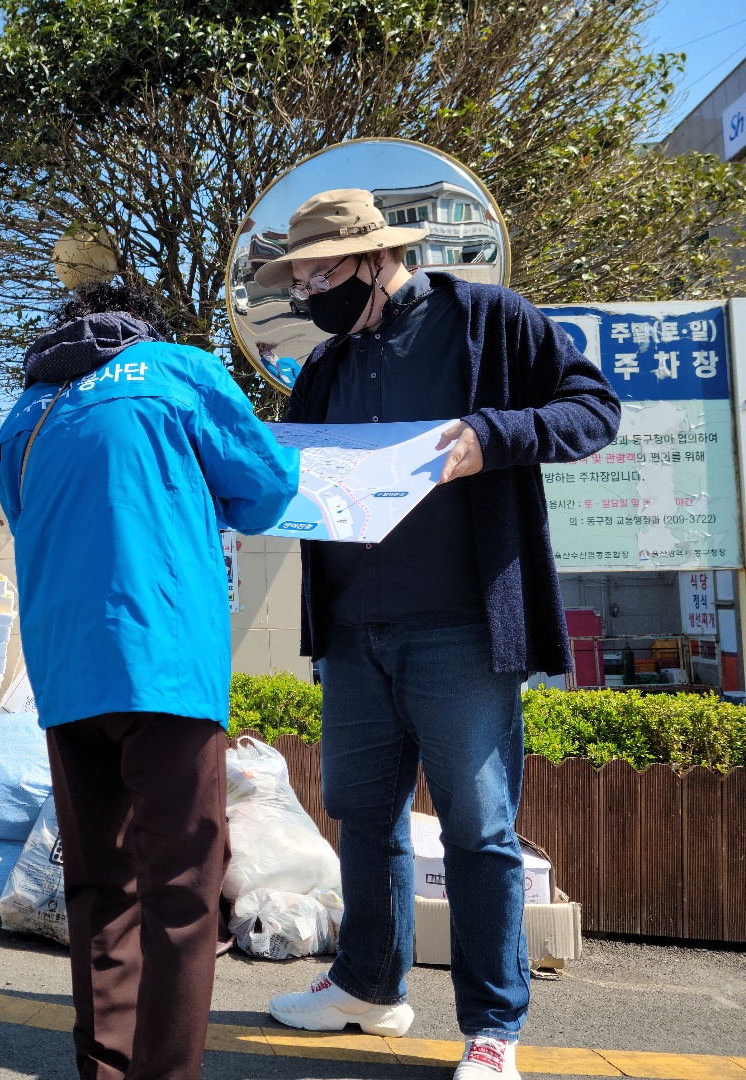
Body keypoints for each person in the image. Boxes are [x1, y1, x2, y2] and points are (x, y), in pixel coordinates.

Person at [254, 190, 620, 1080]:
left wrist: (493, 435)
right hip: (352, 628)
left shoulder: (490, 320)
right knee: (361, 815)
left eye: (323, 275)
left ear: (380, 257)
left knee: (478, 829)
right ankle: (367, 987)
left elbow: (595, 409)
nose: (309, 294)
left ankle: (494, 1028)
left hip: (463, 625)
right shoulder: (325, 366)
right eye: (300, 281)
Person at [0, 282, 299, 1080]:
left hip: (67, 671)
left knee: (100, 886)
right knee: (183, 892)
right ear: (141, 328)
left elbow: (28, 518)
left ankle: (105, 1069)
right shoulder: (177, 370)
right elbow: (268, 488)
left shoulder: (25, 413)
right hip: (164, 661)